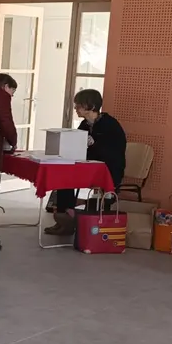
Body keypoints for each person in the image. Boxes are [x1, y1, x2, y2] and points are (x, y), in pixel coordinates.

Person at [45, 89, 128, 236]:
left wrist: (93, 145)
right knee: (64, 179)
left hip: (108, 169)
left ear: (90, 106)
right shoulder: (84, 124)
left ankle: (76, 221)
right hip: (89, 167)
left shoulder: (110, 125)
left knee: (70, 178)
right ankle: (65, 219)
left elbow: (114, 153)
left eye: (79, 105)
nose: (76, 108)